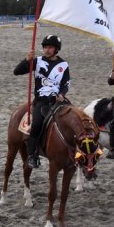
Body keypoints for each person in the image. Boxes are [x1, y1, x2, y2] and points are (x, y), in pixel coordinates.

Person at [13, 34, 71, 169]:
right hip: (41, 101)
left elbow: (66, 83)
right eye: (45, 47)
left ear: (56, 49)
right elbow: (17, 71)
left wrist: (62, 94)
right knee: (37, 124)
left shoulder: (63, 64)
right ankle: (32, 156)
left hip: (57, 101)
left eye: (50, 47)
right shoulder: (37, 61)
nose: (47, 50)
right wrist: (27, 60)